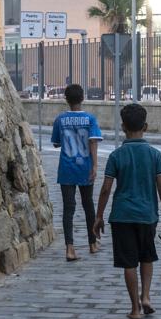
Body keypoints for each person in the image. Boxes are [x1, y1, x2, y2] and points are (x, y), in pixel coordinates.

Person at [93, 104, 161, 319]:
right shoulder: (154, 155)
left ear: (123, 127)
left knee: (129, 262)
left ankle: (135, 309)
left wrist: (98, 216)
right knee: (147, 257)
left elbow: (106, 188)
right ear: (145, 126)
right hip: (148, 216)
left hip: (122, 217)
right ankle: (146, 296)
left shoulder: (116, 156)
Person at [50, 84, 103, 262]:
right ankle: (92, 243)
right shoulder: (90, 119)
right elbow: (93, 142)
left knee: (68, 208)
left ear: (66, 99)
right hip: (85, 168)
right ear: (82, 98)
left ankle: (70, 248)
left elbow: (56, 143)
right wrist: (95, 166)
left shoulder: (60, 120)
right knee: (88, 205)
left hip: (66, 168)